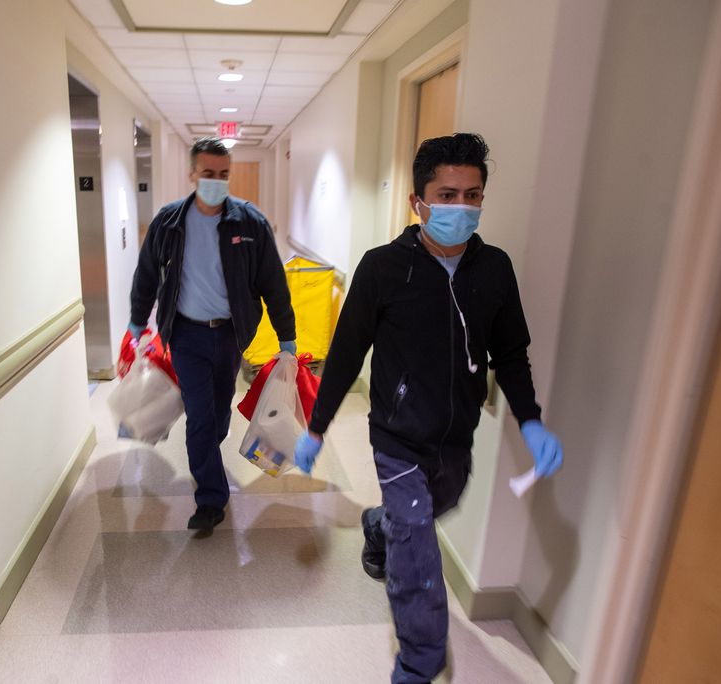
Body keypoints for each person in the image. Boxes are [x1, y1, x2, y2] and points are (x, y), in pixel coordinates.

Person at [293, 133, 563, 683]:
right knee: (416, 548)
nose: (461, 207)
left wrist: (530, 420)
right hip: (396, 435)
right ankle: (419, 662)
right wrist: (317, 427)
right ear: (417, 202)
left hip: (454, 439)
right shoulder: (382, 269)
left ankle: (378, 525)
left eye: (473, 195)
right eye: (447, 194)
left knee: (427, 510)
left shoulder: (495, 270)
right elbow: (346, 352)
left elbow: (510, 353)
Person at [129, 136, 296, 532]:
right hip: (185, 335)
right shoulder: (169, 222)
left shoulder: (249, 222)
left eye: (223, 175)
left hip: (232, 336)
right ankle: (210, 500)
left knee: (219, 416)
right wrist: (138, 323)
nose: (216, 182)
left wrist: (286, 337)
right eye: (208, 174)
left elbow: (273, 281)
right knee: (201, 418)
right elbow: (147, 274)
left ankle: (207, 455)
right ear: (192, 174)